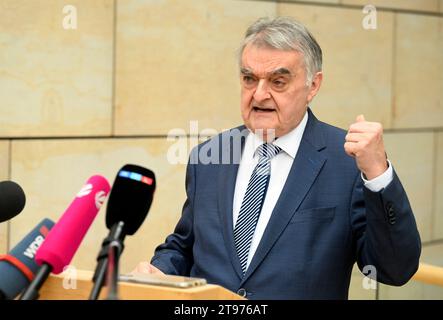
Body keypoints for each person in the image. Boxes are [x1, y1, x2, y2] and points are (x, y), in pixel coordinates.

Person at [134, 17, 421, 299]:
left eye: (278, 81)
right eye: (249, 79)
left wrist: (377, 174)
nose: (259, 94)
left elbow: (394, 270)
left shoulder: (346, 162)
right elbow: (184, 247)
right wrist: (160, 271)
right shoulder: (210, 156)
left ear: (313, 86)